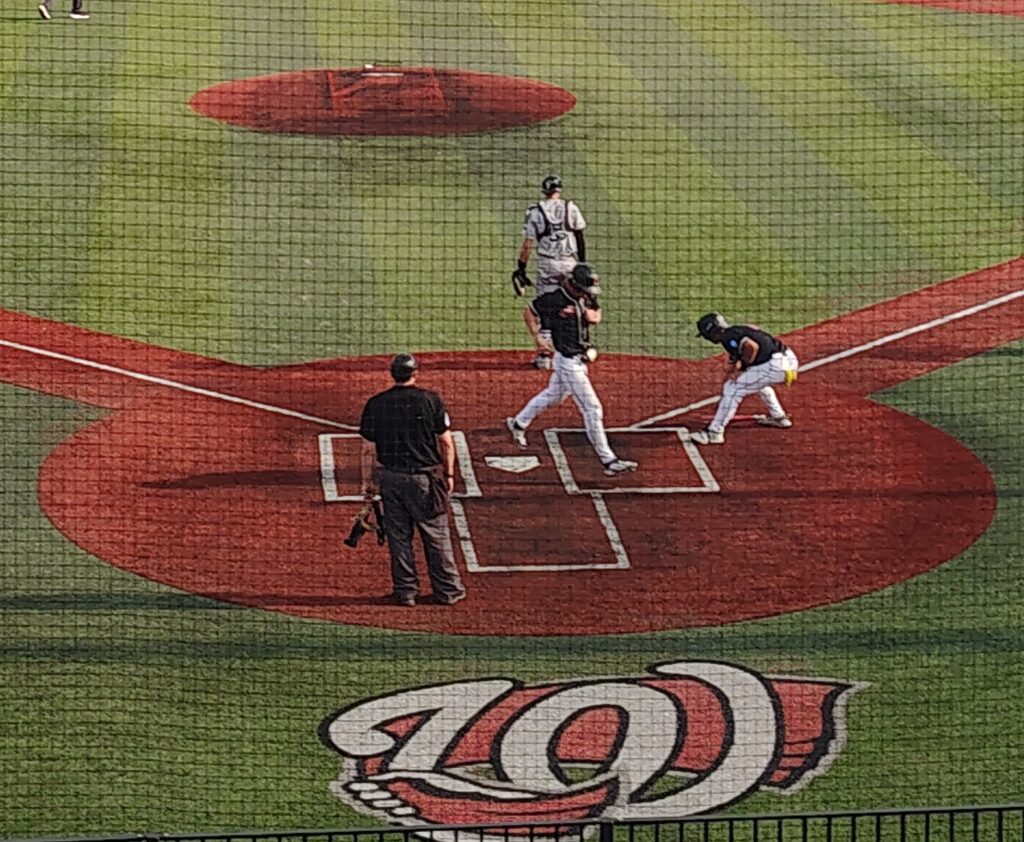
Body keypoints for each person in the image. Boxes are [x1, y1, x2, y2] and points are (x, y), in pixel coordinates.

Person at [505, 264, 638, 477]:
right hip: (568, 363)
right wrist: (537, 337)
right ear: (573, 285)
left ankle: (519, 423)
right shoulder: (554, 299)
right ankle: (609, 460)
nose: (586, 294)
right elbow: (529, 310)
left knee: (554, 396)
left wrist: (588, 314)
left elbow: (596, 315)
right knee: (593, 409)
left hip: (579, 359)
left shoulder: (587, 295)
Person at [359, 353, 466, 607]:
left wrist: (368, 483)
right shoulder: (431, 400)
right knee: (436, 535)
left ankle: (406, 592)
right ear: (415, 373)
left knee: (398, 537)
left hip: (391, 479)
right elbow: (446, 443)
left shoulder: (376, 403)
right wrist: (449, 474)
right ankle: (448, 590)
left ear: (392, 374)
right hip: (424, 479)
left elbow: (368, 450)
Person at [512, 175, 588, 370]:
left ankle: (544, 357)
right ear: (559, 190)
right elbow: (580, 237)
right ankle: (580, 349)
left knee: (545, 307)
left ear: (544, 191)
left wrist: (521, 268)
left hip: (548, 264)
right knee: (574, 304)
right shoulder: (571, 207)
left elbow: (527, 244)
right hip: (570, 262)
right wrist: (581, 264)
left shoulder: (536, 212)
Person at [688, 313, 799, 445]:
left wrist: (743, 368)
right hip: (787, 359)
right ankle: (779, 417)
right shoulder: (736, 330)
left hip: (775, 366)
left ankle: (714, 433)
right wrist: (733, 373)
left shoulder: (728, 336)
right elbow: (742, 352)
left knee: (733, 389)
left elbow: (752, 347)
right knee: (756, 383)